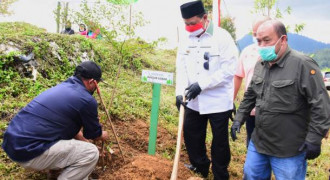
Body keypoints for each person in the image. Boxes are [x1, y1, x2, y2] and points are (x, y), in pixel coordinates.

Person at [231, 20, 330, 179]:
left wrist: (314, 139)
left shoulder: (302, 64)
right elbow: (250, 95)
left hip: (288, 148)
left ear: (283, 39)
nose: (262, 45)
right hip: (259, 142)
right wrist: (239, 119)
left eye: (267, 40)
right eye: (259, 41)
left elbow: (321, 104)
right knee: (251, 175)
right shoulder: (261, 64)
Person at [2, 61, 109, 180]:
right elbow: (94, 134)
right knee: (91, 152)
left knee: (76, 144)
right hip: (28, 152)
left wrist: (84, 142)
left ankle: (57, 172)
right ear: (92, 82)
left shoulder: (63, 87)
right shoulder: (87, 100)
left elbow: (66, 126)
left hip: (12, 143)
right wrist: (102, 135)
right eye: (97, 83)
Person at [175, 1, 238, 179]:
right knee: (192, 134)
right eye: (186, 24)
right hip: (193, 100)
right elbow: (181, 68)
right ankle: (200, 165)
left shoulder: (222, 37)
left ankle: (220, 172)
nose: (188, 27)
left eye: (192, 23)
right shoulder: (186, 39)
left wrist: (202, 84)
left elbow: (228, 70)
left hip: (218, 100)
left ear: (204, 17)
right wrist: (179, 92)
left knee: (219, 141)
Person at [233, 16, 270, 147]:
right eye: (254, 34)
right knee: (253, 146)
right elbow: (238, 76)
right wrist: (231, 100)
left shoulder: (275, 53)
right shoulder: (247, 52)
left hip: (273, 112)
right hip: (252, 110)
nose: (256, 37)